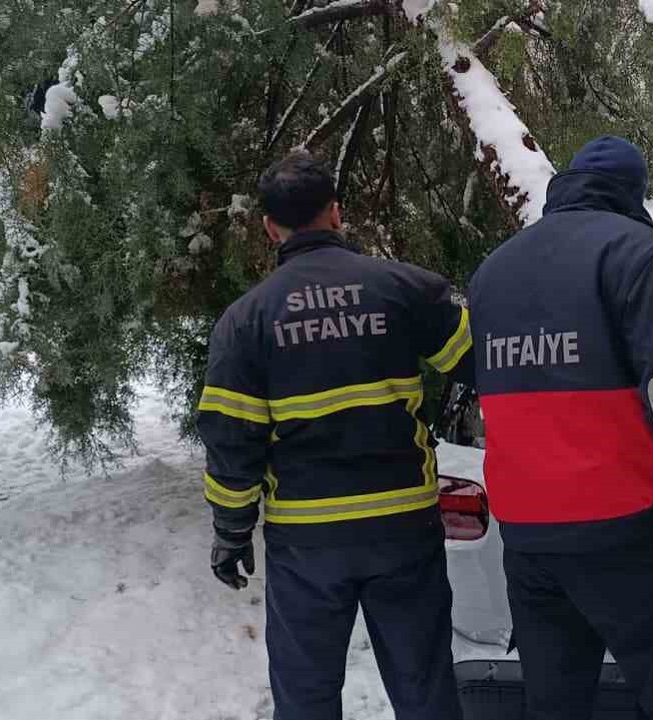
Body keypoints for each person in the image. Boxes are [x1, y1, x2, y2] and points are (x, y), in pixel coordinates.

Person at [467, 136, 653, 719]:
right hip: (621, 534)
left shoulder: (493, 270)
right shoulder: (640, 254)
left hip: (526, 537)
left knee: (555, 704)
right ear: (634, 193)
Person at [197, 150, 472, 720]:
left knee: (306, 696)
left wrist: (231, 530)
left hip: (308, 542)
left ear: (270, 227)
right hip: (403, 526)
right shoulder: (404, 288)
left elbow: (231, 440)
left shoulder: (246, 321)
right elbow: (482, 362)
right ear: (337, 213)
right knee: (424, 687)